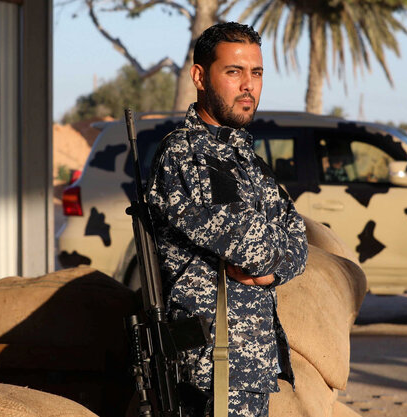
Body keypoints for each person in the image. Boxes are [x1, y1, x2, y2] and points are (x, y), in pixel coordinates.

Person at [146, 22, 308, 417]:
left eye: (256, 72)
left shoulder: (249, 161)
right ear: (200, 77)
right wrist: (272, 253)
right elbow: (253, 247)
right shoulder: (186, 156)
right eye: (234, 72)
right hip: (211, 367)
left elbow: (300, 241)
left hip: (247, 365)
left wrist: (273, 271)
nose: (248, 85)